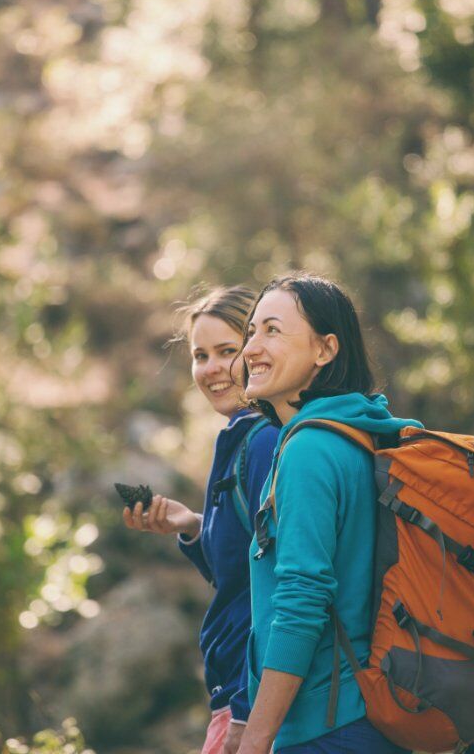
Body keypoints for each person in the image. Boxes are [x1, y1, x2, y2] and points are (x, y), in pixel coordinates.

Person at [236, 274, 420, 754]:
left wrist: (256, 738)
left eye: (272, 331)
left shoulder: (309, 450)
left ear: (325, 349)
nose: (251, 348)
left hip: (328, 726)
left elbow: (303, 601)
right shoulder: (361, 433)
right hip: (372, 714)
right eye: (251, 332)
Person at [123, 285, 279, 754]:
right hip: (236, 693)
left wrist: (248, 712)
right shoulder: (238, 437)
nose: (210, 369)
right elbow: (240, 573)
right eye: (200, 355)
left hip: (254, 700)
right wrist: (193, 525)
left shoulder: (265, 442)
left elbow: (283, 589)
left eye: (227, 351)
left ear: (258, 351)